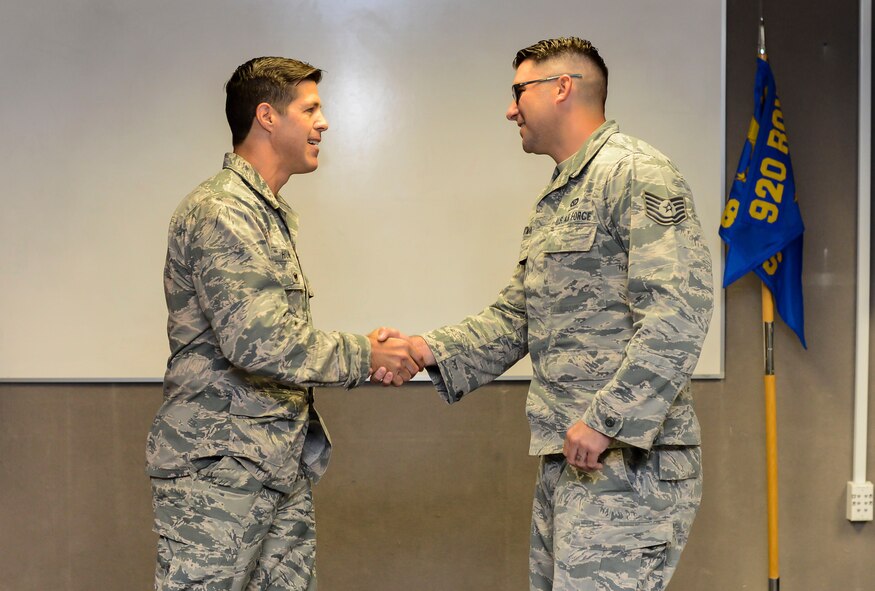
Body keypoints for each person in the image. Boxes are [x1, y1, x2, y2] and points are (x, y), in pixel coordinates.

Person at [376, 37, 713, 590]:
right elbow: (519, 317)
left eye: (518, 91)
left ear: (562, 88)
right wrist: (423, 349)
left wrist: (606, 420)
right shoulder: (562, 193)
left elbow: (679, 311)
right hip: (574, 457)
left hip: (626, 461)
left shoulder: (637, 173)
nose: (510, 109)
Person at [146, 56, 423, 591]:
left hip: (275, 463)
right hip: (219, 471)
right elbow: (260, 342)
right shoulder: (222, 211)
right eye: (311, 109)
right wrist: (367, 354)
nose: (324, 123)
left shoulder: (265, 211)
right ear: (268, 116)